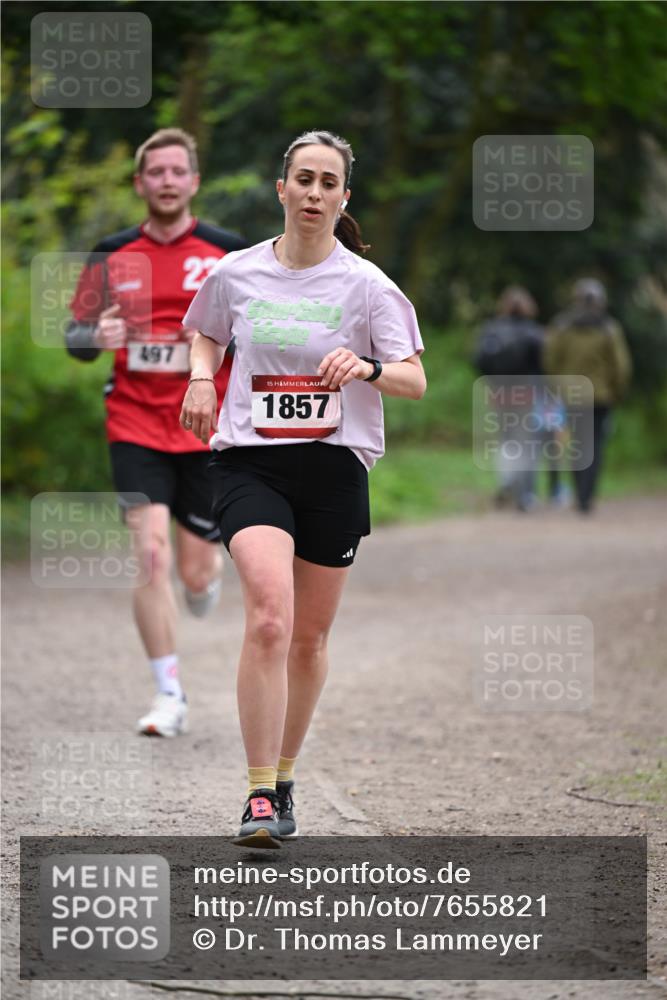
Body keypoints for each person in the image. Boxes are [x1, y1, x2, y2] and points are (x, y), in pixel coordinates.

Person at [180, 129, 426, 848]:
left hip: (333, 468)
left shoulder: (368, 287)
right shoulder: (237, 272)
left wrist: (367, 369)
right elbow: (206, 333)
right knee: (267, 617)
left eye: (328, 183)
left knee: (310, 640)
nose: (314, 192)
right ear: (281, 188)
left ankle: (284, 778)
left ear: (343, 197)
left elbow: (413, 378)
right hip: (250, 461)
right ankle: (258, 795)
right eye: (303, 179)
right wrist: (202, 376)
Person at [66, 128, 246, 737]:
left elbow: (261, 331)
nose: (167, 181)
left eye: (178, 171)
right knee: (149, 555)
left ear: (193, 182)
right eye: (156, 172)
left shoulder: (230, 251)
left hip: (205, 423)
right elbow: (76, 338)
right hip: (135, 420)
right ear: (140, 183)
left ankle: (206, 577)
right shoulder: (111, 252)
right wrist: (97, 337)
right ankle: (169, 693)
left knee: (196, 574)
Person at [474, 286, 566, 511]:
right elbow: (547, 368)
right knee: (527, 443)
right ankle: (525, 494)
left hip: (500, 393)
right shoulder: (535, 333)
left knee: (506, 438)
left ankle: (507, 480)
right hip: (527, 393)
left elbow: (478, 361)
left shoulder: (490, 330)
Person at [544, 278, 632, 513]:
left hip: (572, 394)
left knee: (579, 444)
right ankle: (587, 495)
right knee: (596, 444)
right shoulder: (609, 329)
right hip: (601, 396)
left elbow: (551, 360)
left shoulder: (562, 327)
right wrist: (617, 391)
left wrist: (556, 387)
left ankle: (580, 494)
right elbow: (621, 366)